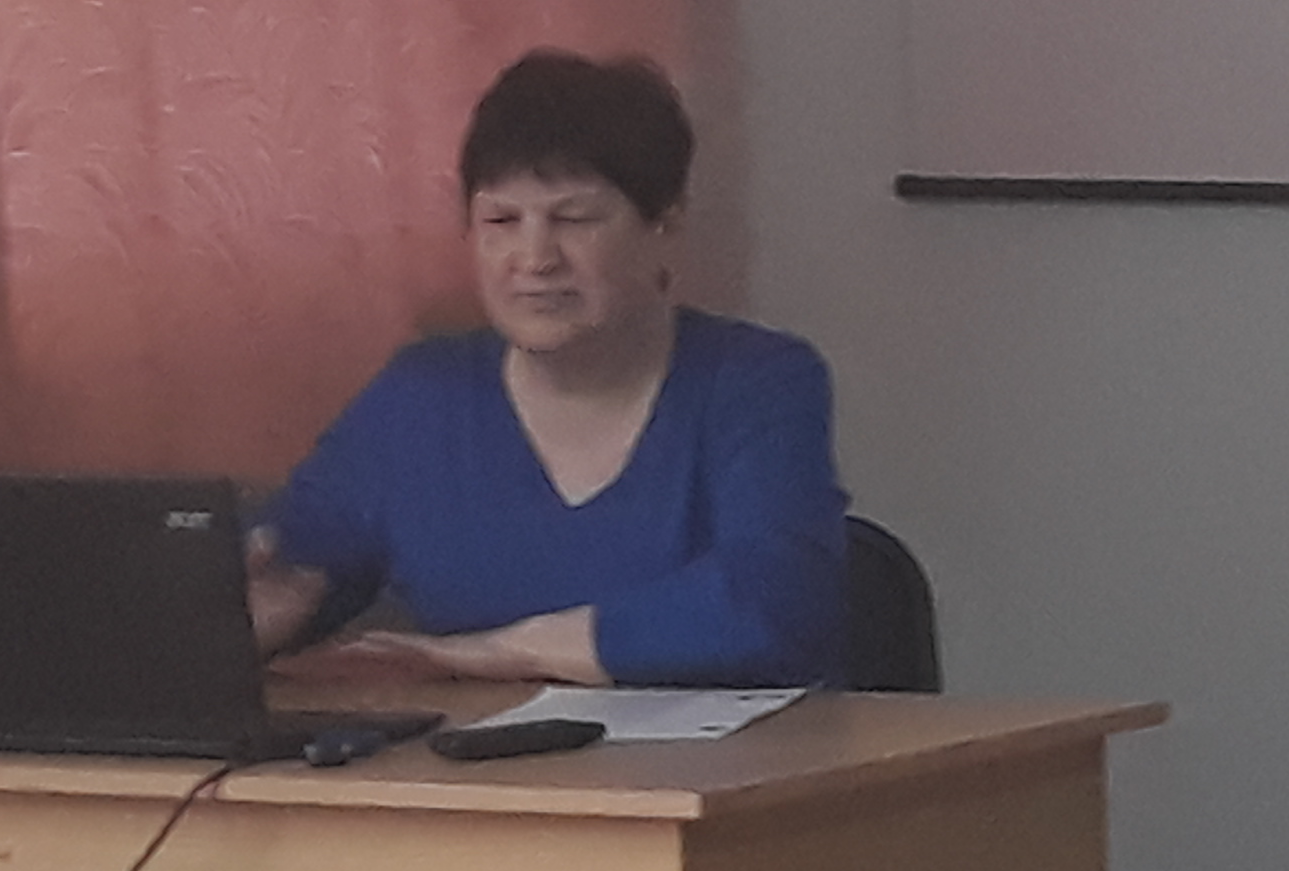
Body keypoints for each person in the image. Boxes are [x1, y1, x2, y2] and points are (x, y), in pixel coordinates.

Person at [247, 51, 849, 687]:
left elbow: (774, 606)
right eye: (501, 221)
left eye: (574, 220)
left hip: (740, 751)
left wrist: (509, 652)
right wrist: (248, 616)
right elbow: (293, 572)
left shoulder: (758, 381)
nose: (534, 258)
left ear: (665, 225)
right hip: (485, 753)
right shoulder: (418, 396)